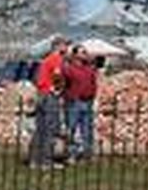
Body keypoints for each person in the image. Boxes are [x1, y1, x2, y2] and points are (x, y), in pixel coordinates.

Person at [28, 37, 68, 168]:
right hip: (50, 96)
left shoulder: (46, 60)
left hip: (41, 94)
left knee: (40, 128)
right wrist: (58, 89)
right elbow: (57, 75)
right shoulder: (57, 59)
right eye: (65, 45)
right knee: (50, 128)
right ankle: (47, 160)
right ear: (58, 46)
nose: (67, 48)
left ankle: (34, 160)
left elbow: (38, 78)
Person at [61, 45, 99, 160]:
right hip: (74, 102)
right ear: (75, 55)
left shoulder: (89, 68)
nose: (85, 54)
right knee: (72, 128)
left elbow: (93, 82)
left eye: (85, 52)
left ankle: (87, 153)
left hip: (87, 101)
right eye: (83, 52)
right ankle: (71, 154)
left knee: (87, 128)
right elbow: (64, 80)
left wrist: (93, 95)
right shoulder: (69, 68)